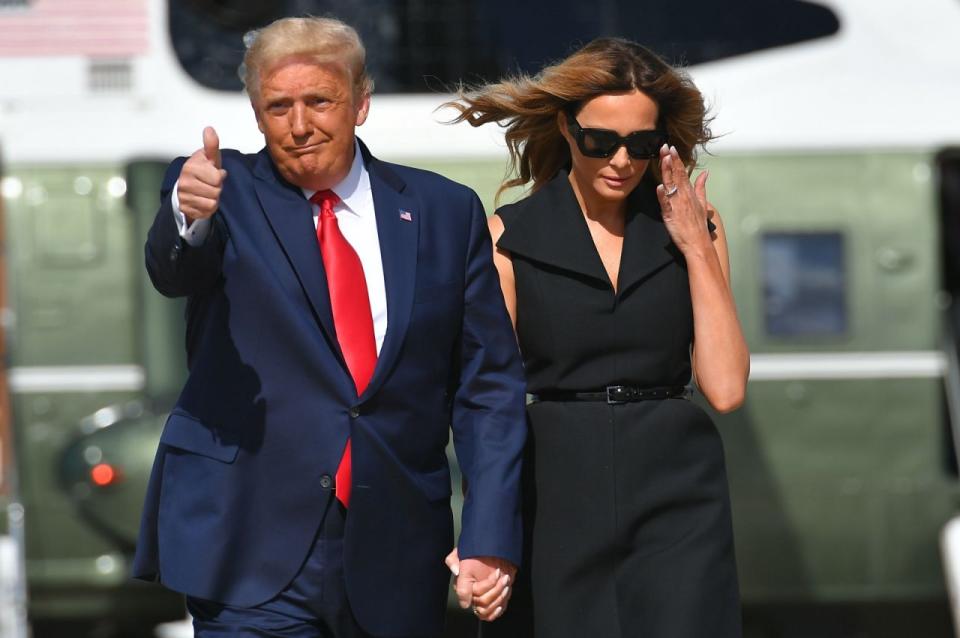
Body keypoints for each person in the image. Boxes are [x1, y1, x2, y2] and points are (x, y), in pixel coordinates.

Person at [132, 17, 524, 638]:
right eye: (277, 106)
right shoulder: (218, 194)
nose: (299, 124)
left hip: (394, 545)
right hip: (250, 545)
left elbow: (488, 388)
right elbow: (173, 269)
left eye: (319, 101)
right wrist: (187, 215)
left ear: (361, 103)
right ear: (257, 116)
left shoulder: (444, 212)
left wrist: (490, 534)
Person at [448, 37, 750, 637]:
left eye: (640, 144)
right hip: (556, 487)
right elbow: (490, 402)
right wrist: (482, 535)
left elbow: (723, 388)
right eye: (600, 141)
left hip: (677, 490)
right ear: (565, 127)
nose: (621, 161)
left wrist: (694, 246)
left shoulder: (695, 229)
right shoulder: (507, 239)